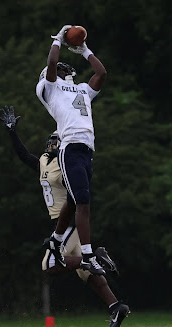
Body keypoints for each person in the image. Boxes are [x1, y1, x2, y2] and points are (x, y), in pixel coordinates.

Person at [0, 105, 130, 327]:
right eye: (52, 140)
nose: (52, 144)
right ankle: (116, 307)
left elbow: (77, 193)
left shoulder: (68, 162)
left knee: (49, 264)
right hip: (61, 223)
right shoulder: (44, 162)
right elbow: (24, 156)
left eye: (57, 141)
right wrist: (12, 132)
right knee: (86, 273)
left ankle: (95, 256)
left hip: (66, 222)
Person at [36, 24, 107, 277]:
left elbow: (100, 73)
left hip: (87, 149)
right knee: (83, 203)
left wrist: (85, 50)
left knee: (75, 200)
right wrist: (58, 37)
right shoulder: (51, 87)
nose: (66, 68)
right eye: (62, 67)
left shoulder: (79, 90)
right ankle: (88, 256)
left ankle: (55, 241)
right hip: (70, 148)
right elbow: (53, 64)